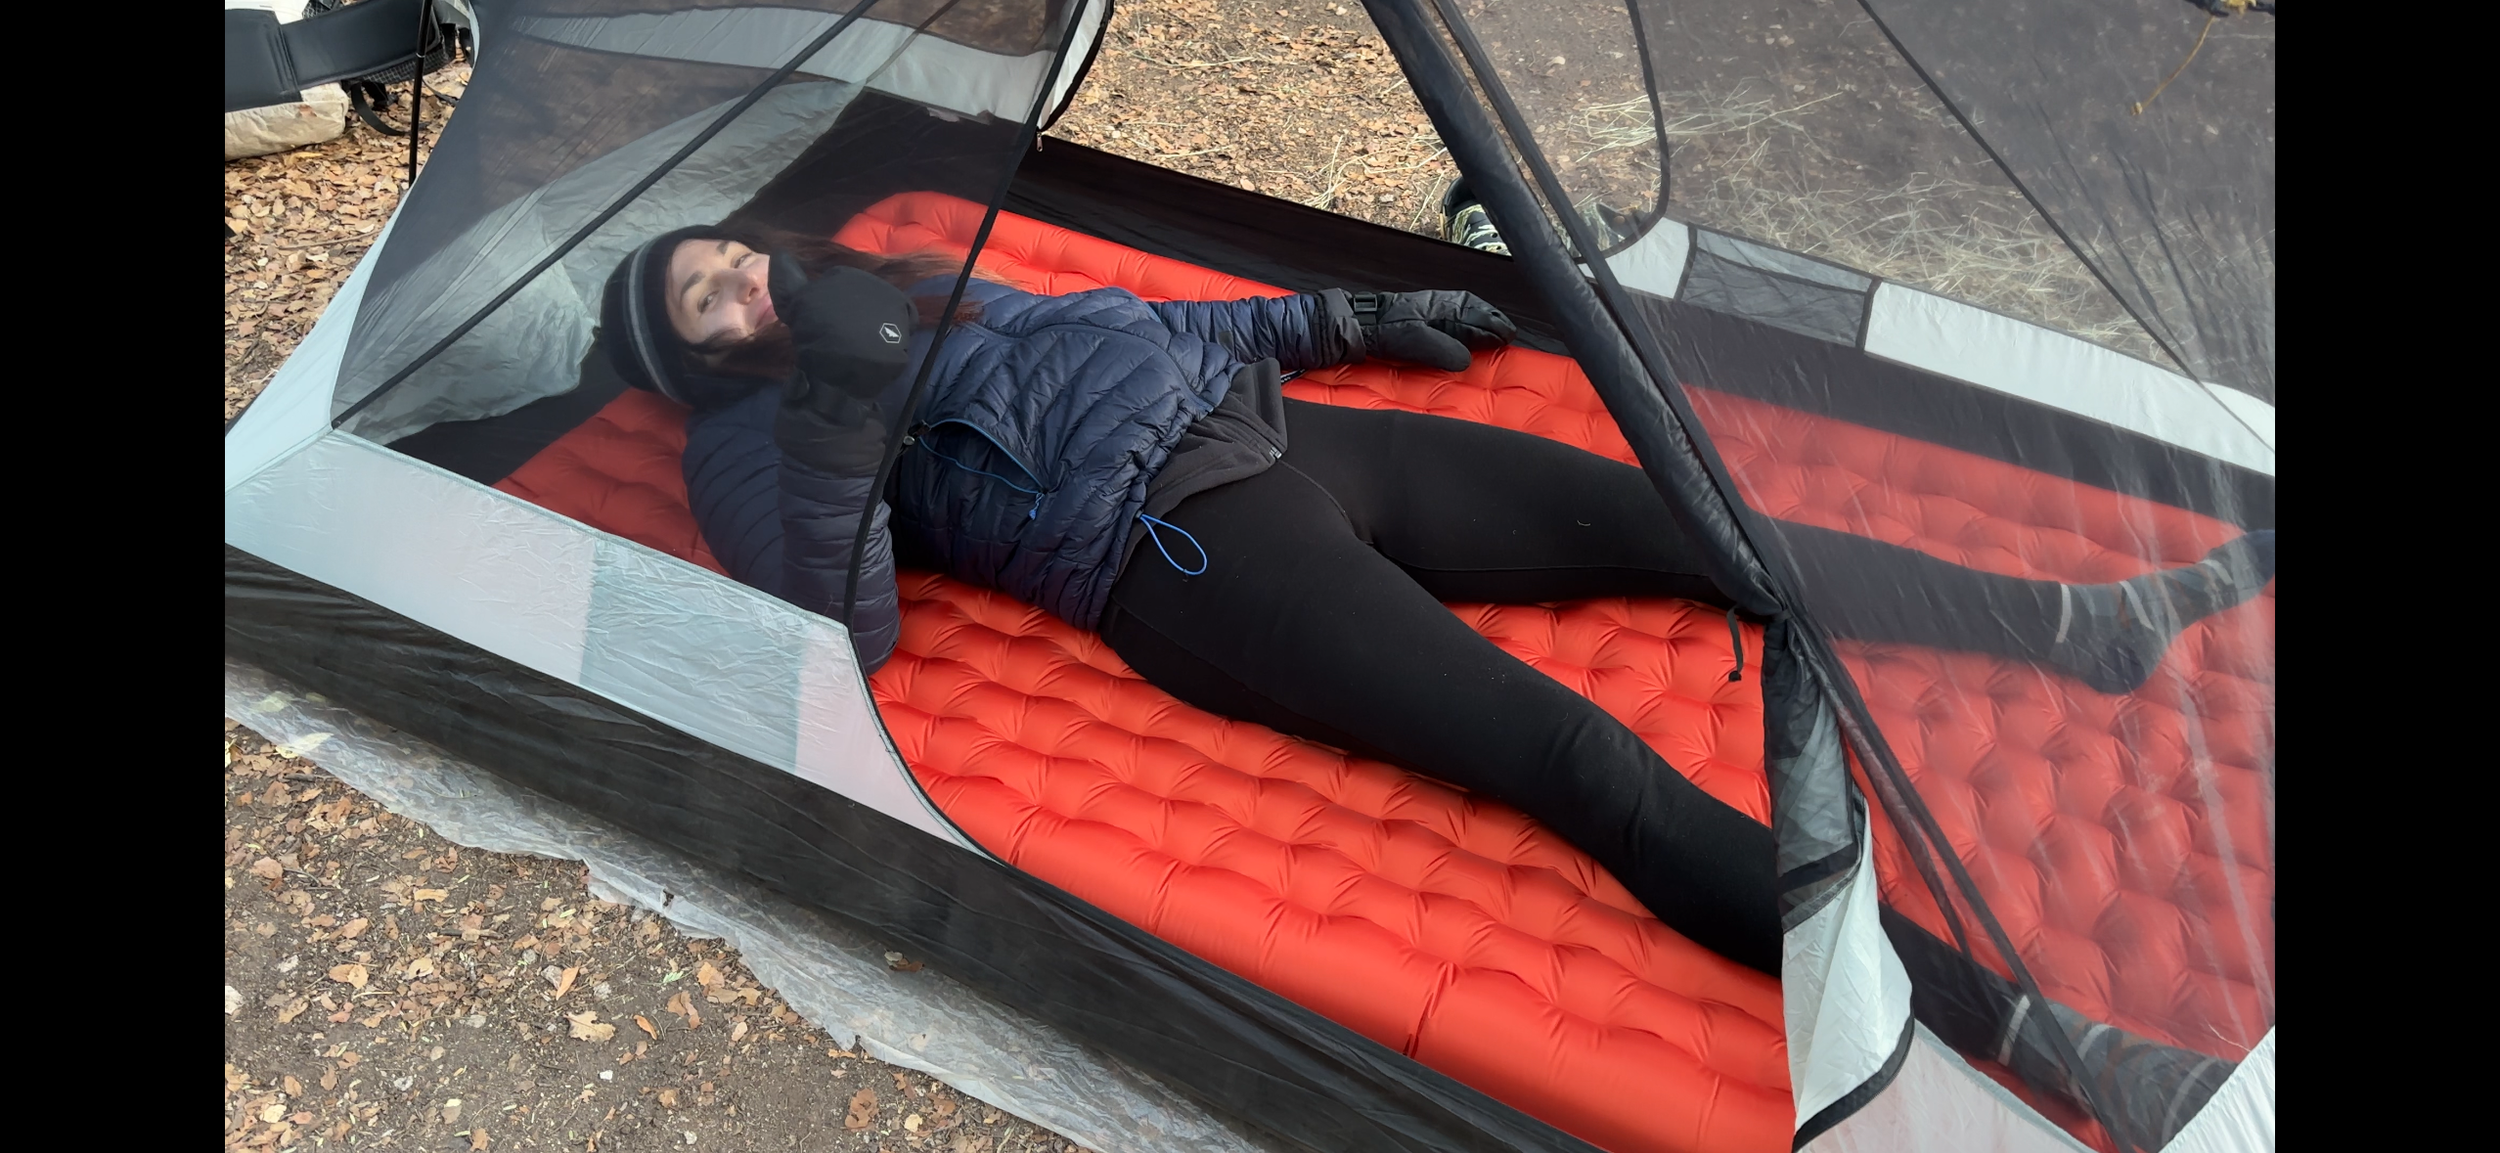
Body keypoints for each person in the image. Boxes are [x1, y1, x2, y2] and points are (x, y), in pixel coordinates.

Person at [602, 225, 2269, 1144]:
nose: (741, 277)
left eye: (731, 254)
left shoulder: (906, 282)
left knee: (1692, 527)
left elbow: (1150, 333)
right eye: (705, 296)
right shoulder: (750, 442)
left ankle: (2078, 628)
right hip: (1185, 563)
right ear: (694, 355)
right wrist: (831, 410)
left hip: (1280, 434)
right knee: (1576, 761)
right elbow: (849, 608)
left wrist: (1344, 312)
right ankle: (2047, 1034)